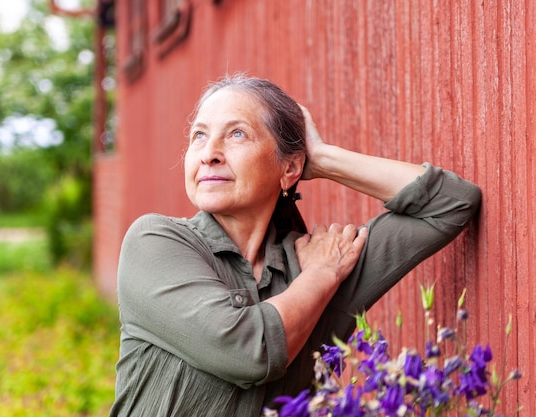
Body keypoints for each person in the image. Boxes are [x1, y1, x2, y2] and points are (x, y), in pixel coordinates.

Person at [108, 74, 482, 417]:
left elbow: (451, 202)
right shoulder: (154, 243)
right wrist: (320, 276)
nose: (209, 152)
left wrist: (322, 160)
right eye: (199, 136)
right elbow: (248, 350)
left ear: (289, 169)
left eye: (237, 134)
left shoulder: (318, 262)